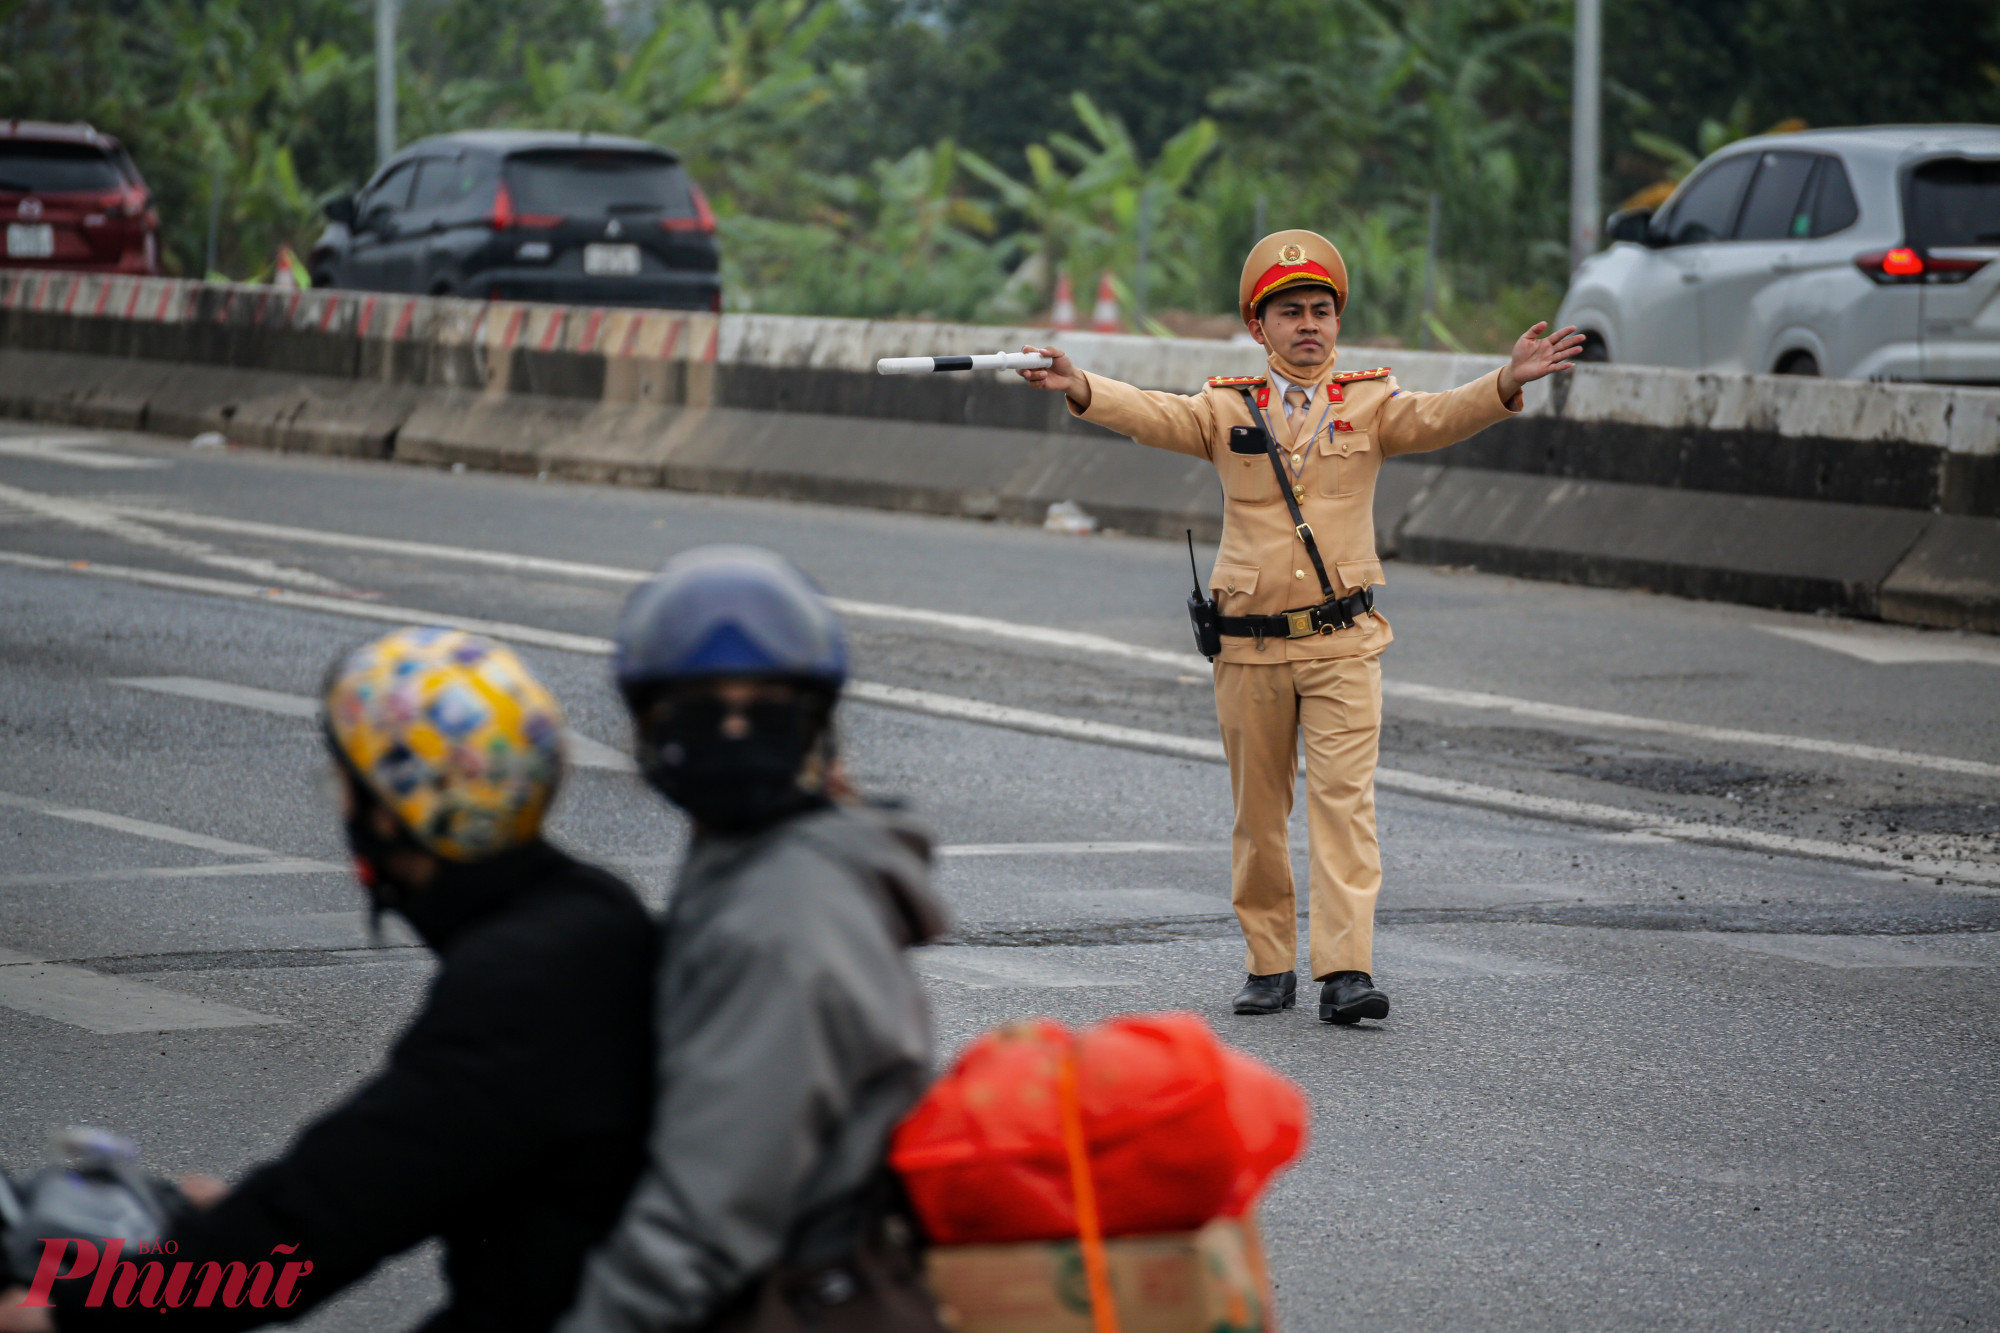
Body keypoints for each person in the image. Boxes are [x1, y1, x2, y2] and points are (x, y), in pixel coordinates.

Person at [0, 628, 655, 1332]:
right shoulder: (592, 914)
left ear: (392, 813)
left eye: (348, 789)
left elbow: (331, 1216)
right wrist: (227, 1231)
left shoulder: (521, 984)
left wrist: (71, 1311)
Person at [1017, 230, 1582, 1026]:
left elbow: (1440, 417)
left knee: (1345, 807)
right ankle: (1268, 962)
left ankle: (1346, 969)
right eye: (1291, 312)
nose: (1309, 324)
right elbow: (1154, 415)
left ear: (1337, 322)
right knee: (1258, 814)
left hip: (1344, 642)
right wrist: (1082, 386)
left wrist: (1504, 382)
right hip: (1247, 644)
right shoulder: (1224, 407)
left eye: (1322, 310)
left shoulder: (1371, 401)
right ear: (1260, 327)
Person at [557, 545, 946, 1333]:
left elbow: (701, 1225)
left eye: (764, 707)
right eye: (702, 707)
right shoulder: (768, 857)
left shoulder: (779, 924)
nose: (733, 729)